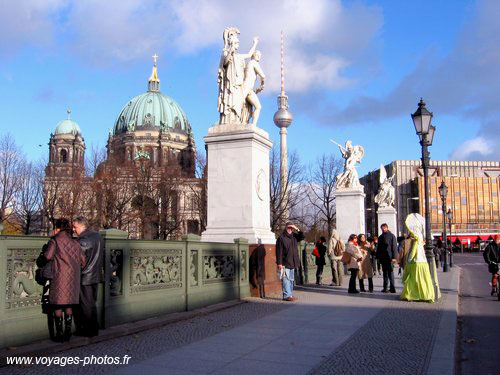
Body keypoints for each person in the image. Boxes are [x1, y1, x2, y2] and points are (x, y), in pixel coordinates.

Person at [43, 218, 85, 342]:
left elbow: (48, 256)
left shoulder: (55, 240)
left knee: (57, 306)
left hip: (59, 276)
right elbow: (83, 261)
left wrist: (43, 254)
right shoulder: (76, 243)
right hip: (73, 278)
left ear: (58, 227)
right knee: (68, 305)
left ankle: (59, 335)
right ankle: (68, 333)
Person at [73, 216, 104, 337]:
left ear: (81, 226)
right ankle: (94, 329)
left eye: (75, 227)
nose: (74, 230)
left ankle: (87, 330)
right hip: (96, 275)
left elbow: (76, 258)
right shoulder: (98, 237)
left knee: (85, 304)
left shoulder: (83, 240)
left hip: (85, 276)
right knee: (91, 303)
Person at [400, 214, 435, 302]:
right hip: (423, 260)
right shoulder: (420, 235)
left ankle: (412, 294)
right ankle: (426, 294)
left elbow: (414, 249)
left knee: (413, 279)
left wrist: (409, 259)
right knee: (424, 279)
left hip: (416, 261)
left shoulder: (415, 237)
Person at [276, 222, 300, 301]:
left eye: (291, 228)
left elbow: (302, 236)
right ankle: (286, 295)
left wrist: (296, 228)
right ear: (286, 228)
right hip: (285, 262)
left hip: (293, 262)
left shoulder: (294, 237)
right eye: (289, 228)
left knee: (291, 280)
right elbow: (279, 251)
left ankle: (290, 295)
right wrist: (279, 263)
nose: (290, 229)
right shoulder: (281, 238)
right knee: (286, 279)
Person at [242, 50, 265, 125]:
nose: (259, 56)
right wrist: (262, 84)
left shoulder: (249, 63)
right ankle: (238, 121)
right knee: (240, 104)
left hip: (249, 89)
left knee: (258, 106)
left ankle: (253, 125)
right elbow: (263, 76)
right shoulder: (253, 62)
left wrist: (259, 88)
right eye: (257, 54)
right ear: (253, 55)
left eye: (260, 55)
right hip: (246, 86)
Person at [377, 223, 398, 293]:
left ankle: (392, 288)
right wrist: (378, 257)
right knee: (384, 273)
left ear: (387, 228)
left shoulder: (392, 236)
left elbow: (394, 247)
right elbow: (379, 248)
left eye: (384, 228)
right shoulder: (380, 237)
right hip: (383, 258)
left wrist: (394, 257)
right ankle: (385, 287)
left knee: (390, 273)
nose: (383, 229)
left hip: (390, 257)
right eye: (382, 228)